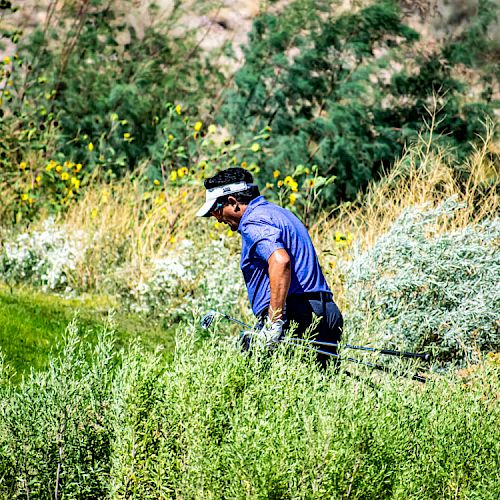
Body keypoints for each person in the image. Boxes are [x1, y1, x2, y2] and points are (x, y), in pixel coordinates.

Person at [196, 167, 343, 368]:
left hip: (296, 318)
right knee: (323, 389)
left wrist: (274, 323)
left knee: (261, 390)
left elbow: (280, 261)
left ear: (232, 202)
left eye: (216, 210)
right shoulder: (280, 213)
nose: (218, 218)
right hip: (327, 313)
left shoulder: (253, 221)